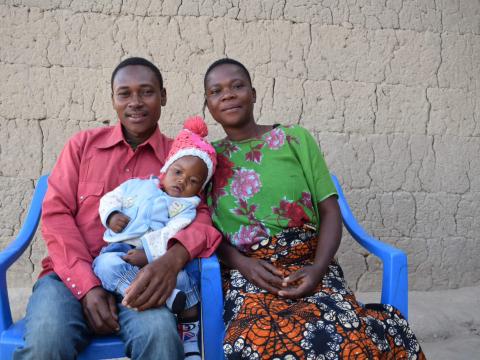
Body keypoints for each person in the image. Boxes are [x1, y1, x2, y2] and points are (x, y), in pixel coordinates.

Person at [204, 58, 426, 360]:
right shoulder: (205, 158)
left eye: (237, 86)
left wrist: (318, 269)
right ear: (209, 105)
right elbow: (204, 229)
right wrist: (243, 264)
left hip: (309, 261)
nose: (227, 95)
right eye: (216, 91)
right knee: (254, 342)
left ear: (254, 94)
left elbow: (330, 209)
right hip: (251, 273)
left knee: (347, 335)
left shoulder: (296, 139)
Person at [14, 57, 222, 360]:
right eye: (124, 93)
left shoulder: (180, 159)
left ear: (163, 96)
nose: (135, 102)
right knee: (47, 341)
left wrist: (171, 261)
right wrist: (87, 288)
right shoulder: (82, 147)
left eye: (147, 92)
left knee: (160, 340)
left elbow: (201, 220)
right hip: (69, 277)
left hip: (139, 278)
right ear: (113, 99)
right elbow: (56, 216)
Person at [93, 116, 217, 319]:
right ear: (166, 168)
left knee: (179, 276)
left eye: (193, 181)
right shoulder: (138, 185)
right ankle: (156, 295)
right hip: (121, 251)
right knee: (103, 265)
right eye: (177, 172)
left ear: (199, 189)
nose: (181, 181)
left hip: (157, 259)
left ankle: (191, 324)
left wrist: (148, 255)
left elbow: (172, 231)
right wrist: (112, 215)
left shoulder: (185, 208)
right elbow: (111, 198)